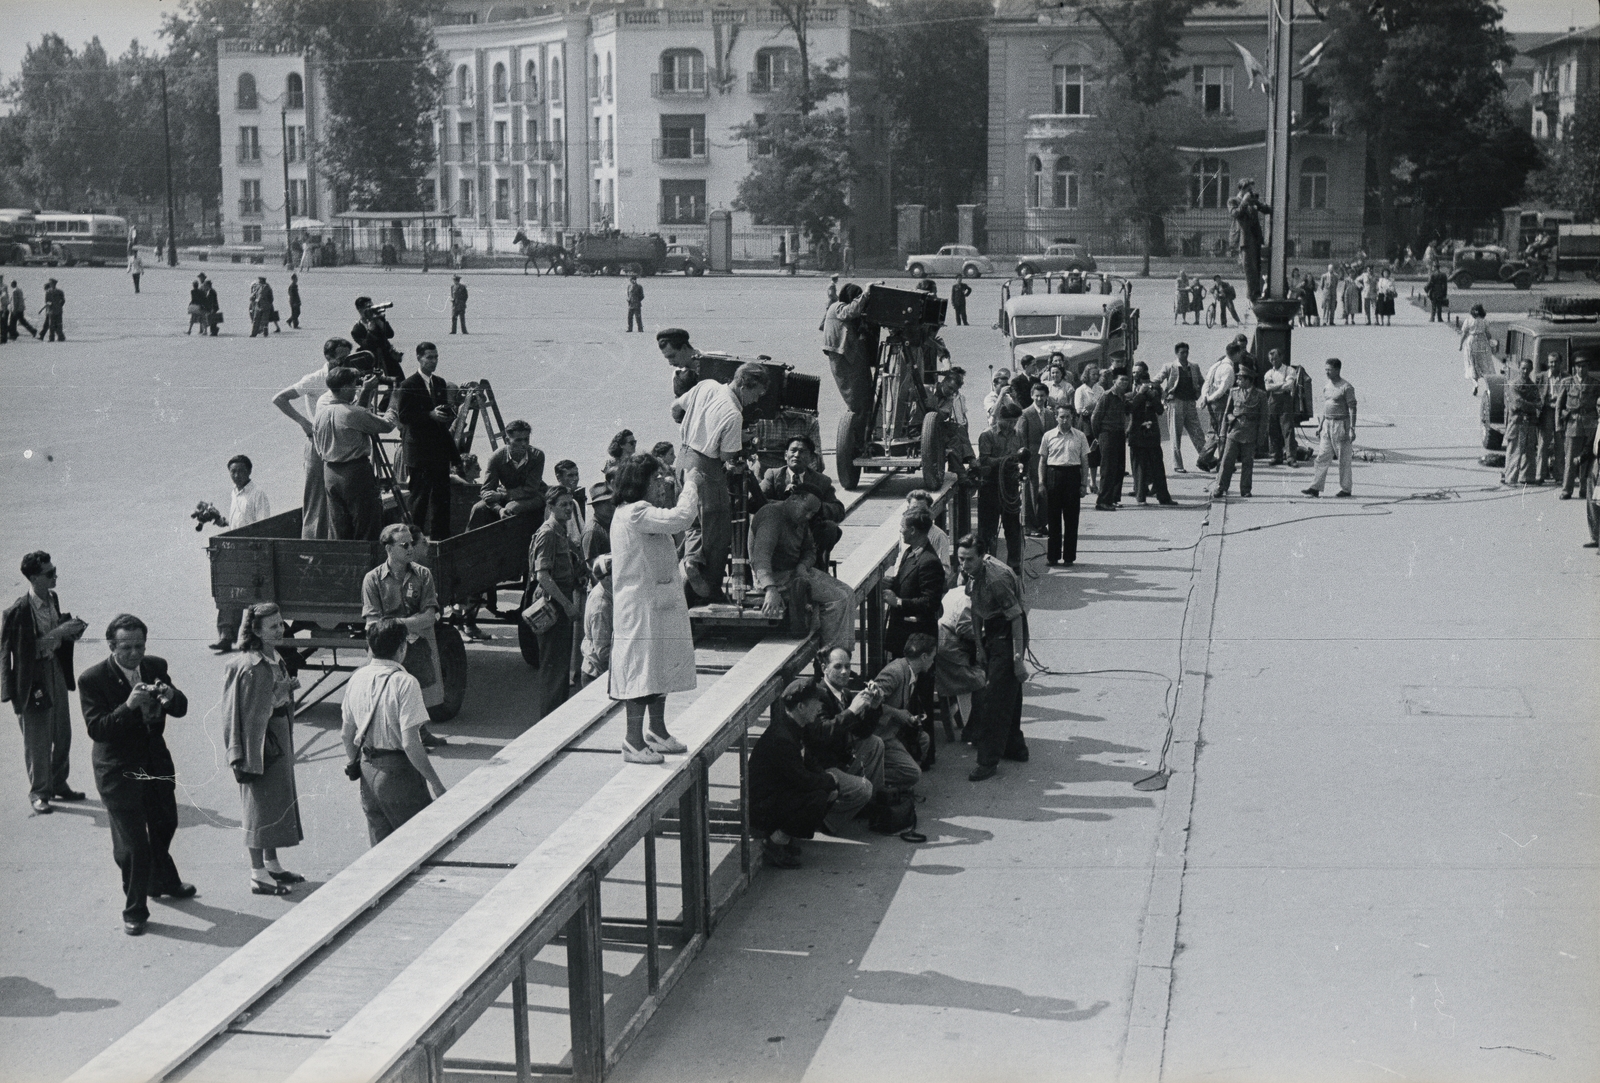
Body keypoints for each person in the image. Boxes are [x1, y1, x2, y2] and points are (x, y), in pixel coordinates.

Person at [77, 614, 194, 934]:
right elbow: (97, 729)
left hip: (155, 764)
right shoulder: (93, 679)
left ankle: (163, 880)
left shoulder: (155, 666)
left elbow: (181, 706)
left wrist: (170, 697)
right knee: (135, 847)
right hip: (118, 770)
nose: (134, 653)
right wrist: (128, 706)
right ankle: (135, 910)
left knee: (165, 824)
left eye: (139, 645)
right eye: (126, 647)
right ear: (112, 647)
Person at [608, 454, 699, 763]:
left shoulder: (641, 512)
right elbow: (682, 519)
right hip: (640, 608)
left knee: (658, 666)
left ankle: (657, 732)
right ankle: (632, 742)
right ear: (639, 483)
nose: (662, 484)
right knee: (640, 671)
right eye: (656, 479)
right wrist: (691, 485)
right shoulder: (635, 512)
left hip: (656, 603)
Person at [220, 603, 305, 896]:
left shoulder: (272, 657)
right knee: (258, 807)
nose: (280, 630)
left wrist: (283, 692)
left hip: (276, 737)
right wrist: (279, 695)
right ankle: (257, 874)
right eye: (273, 626)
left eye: (281, 624)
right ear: (255, 630)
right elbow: (245, 715)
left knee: (273, 804)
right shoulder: (250, 666)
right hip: (258, 744)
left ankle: (272, 864)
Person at [340, 618, 448, 846]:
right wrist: (436, 782)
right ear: (402, 648)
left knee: (381, 851)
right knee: (417, 846)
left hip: (368, 772)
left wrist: (355, 762)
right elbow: (410, 743)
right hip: (399, 775)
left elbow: (345, 735)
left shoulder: (356, 678)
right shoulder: (406, 683)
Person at [748, 677, 873, 868]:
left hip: (777, 794)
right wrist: (829, 780)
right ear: (801, 707)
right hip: (762, 807)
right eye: (815, 703)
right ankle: (774, 844)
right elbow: (803, 780)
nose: (818, 708)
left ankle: (785, 838)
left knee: (826, 790)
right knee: (817, 797)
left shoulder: (796, 726)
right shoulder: (782, 738)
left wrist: (827, 779)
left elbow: (809, 761)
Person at [674, 362, 768, 603]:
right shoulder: (734, 414)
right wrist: (740, 437)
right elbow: (727, 456)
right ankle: (710, 589)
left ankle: (691, 560)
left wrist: (697, 426)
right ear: (745, 385)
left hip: (682, 462)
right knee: (717, 533)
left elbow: (675, 409)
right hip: (707, 471)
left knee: (693, 524)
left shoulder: (706, 385)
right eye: (756, 394)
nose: (756, 401)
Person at [3, 552, 88, 814]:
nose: (55, 576)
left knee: (62, 732)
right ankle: (39, 792)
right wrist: (10, 693)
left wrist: (70, 631)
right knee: (38, 739)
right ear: (34, 577)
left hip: (55, 670)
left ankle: (59, 783)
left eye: (54, 570)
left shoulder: (53, 598)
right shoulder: (17, 611)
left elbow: (54, 639)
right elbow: (12, 651)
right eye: (49, 573)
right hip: (32, 677)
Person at [362, 523, 448, 745]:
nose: (411, 548)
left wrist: (394, 623)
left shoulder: (423, 574)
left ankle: (420, 734)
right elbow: (373, 625)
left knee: (418, 690)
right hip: (385, 649)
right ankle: (401, 742)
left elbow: (430, 616)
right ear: (389, 549)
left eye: (412, 543)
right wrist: (411, 623)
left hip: (415, 643)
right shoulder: (372, 579)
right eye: (404, 545)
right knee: (388, 695)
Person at [750, 481, 857, 653]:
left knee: (849, 593)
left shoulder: (799, 520)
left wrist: (802, 566)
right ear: (794, 498)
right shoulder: (772, 515)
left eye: (812, 513)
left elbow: (810, 550)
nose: (808, 516)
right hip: (776, 577)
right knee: (838, 599)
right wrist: (770, 589)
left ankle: (845, 652)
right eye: (806, 510)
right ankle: (832, 655)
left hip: (795, 572)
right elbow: (761, 557)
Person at [957, 535, 1028, 781]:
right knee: (1009, 692)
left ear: (982, 556)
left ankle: (987, 761)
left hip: (1008, 633)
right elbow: (976, 610)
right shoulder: (972, 573)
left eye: (969, 559)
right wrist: (979, 646)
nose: (963, 564)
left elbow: (1017, 618)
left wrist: (1018, 659)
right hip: (992, 629)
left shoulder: (996, 578)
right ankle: (1015, 747)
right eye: (960, 559)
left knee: (994, 700)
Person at [273, 338, 352, 541]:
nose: (345, 362)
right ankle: (312, 543)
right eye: (341, 358)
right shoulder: (316, 379)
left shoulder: (347, 376)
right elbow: (280, 398)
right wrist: (304, 422)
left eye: (347, 358)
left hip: (341, 443)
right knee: (316, 498)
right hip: (319, 443)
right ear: (328, 357)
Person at [314, 366, 398, 541]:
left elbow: (353, 416)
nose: (356, 389)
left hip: (330, 472)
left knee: (339, 526)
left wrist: (365, 392)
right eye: (354, 385)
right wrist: (394, 401)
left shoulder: (321, 413)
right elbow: (387, 425)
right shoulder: (353, 413)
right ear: (344, 388)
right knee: (367, 524)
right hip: (354, 473)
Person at [396, 342, 461, 541]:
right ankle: (411, 540)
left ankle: (440, 539)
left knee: (442, 499)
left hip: (439, 452)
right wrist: (430, 415)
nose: (433, 361)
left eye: (436, 357)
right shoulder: (408, 385)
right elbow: (405, 416)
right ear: (419, 358)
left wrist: (447, 415)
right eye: (429, 358)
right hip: (420, 453)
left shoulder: (439, 383)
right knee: (419, 500)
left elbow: (443, 412)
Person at [208, 455, 273, 652]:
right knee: (229, 593)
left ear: (249, 472)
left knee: (253, 595)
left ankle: (251, 637)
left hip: (251, 552)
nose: (236, 475)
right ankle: (226, 637)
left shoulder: (257, 494)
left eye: (240, 471)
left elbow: (262, 524)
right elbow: (237, 523)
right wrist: (222, 521)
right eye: (233, 472)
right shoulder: (235, 493)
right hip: (233, 551)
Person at [530, 491, 584, 719]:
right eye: (563, 505)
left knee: (560, 667)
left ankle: (557, 717)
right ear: (550, 506)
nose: (568, 509)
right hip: (553, 606)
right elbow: (542, 575)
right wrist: (567, 605)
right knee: (553, 667)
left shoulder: (560, 531)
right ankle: (549, 722)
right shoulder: (549, 533)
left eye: (570, 504)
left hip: (561, 601)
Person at [821, 283, 875, 449]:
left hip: (850, 358)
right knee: (856, 400)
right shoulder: (838, 307)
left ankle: (862, 437)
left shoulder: (835, 307)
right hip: (844, 359)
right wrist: (865, 294)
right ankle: (858, 440)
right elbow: (850, 311)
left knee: (865, 398)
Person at [468, 418, 547, 528]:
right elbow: (486, 490)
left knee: (511, 508)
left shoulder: (537, 456)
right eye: (518, 440)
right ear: (507, 440)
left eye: (526, 439)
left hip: (535, 496)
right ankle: (468, 543)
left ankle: (510, 543)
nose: (524, 444)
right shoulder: (496, 458)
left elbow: (531, 489)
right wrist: (499, 510)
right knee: (478, 508)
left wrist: (501, 495)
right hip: (508, 496)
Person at [1039, 403, 1091, 566]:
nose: (1065, 420)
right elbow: (1042, 461)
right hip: (1054, 475)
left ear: (1073, 417)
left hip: (1072, 476)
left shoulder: (1080, 436)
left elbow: (1084, 461)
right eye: (1061, 416)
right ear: (1056, 417)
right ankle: (1053, 556)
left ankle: (1069, 557)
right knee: (1053, 518)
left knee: (1071, 518)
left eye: (1068, 416)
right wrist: (1041, 482)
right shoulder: (1048, 436)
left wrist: (1084, 484)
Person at [977, 400, 1027, 569]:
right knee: (988, 530)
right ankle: (986, 565)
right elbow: (983, 460)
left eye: (1015, 421)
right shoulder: (987, 435)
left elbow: (1021, 456)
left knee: (1013, 528)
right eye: (1009, 421)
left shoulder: (1017, 435)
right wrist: (1004, 461)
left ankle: (1014, 565)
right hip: (990, 486)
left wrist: (1020, 466)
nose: (1012, 425)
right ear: (999, 418)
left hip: (1010, 487)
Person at [1301, 358, 1359, 498]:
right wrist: (1320, 425)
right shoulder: (1327, 385)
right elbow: (1326, 406)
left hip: (1341, 425)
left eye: (1329, 370)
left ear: (1337, 370)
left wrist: (1352, 428)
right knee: (1322, 457)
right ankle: (1315, 487)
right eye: (1326, 369)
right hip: (1327, 425)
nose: (1326, 372)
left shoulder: (1346, 387)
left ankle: (1346, 489)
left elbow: (1352, 408)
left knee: (1343, 459)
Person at [1213, 369, 1266, 498]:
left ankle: (1246, 489)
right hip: (1234, 431)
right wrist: (1223, 433)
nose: (1237, 381)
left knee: (1248, 462)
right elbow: (1227, 412)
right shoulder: (1234, 392)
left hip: (1250, 433)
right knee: (1227, 460)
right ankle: (1221, 487)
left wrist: (1261, 438)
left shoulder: (1260, 395)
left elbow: (1264, 419)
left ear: (1248, 380)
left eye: (1240, 379)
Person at [1128, 363, 1175, 505]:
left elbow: (1160, 410)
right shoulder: (1129, 390)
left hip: (1151, 432)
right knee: (1139, 466)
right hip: (1136, 431)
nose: (1136, 375)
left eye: (1140, 373)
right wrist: (1141, 394)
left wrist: (1152, 395)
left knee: (1157, 466)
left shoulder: (1154, 389)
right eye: (1134, 373)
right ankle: (1140, 496)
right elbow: (1131, 408)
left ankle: (1163, 497)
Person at [1157, 343, 1206, 473]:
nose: (1185, 355)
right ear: (1176, 353)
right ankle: (1177, 464)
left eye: (1186, 352)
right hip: (1175, 403)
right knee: (1175, 434)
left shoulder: (1194, 367)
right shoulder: (1169, 367)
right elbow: (1156, 381)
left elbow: (1202, 382)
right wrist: (1164, 395)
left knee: (1197, 432)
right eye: (1182, 352)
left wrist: (1199, 394)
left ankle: (1206, 459)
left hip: (1190, 403)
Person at [1556, 357, 1599, 499]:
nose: (1581, 369)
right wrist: (1559, 425)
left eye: (1584, 366)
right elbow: (1559, 406)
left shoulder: (1595, 383)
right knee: (1570, 459)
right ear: (1575, 368)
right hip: (1572, 425)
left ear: (1588, 367)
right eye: (1579, 366)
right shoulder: (1567, 382)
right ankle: (1567, 490)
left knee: (1586, 461)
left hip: (1589, 425)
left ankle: (1584, 489)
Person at [1090, 371, 1131, 510]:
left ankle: (1113, 498)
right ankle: (1102, 501)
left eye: (1126, 380)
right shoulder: (1107, 396)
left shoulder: (1122, 397)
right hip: (1107, 434)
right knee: (1107, 468)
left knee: (1119, 467)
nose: (1124, 383)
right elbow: (1095, 418)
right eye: (1121, 380)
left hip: (1119, 434)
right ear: (1114, 381)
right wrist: (1099, 436)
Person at [1018, 382, 1054, 535]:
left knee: (1045, 491)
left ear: (1046, 397)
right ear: (1032, 396)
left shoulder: (1050, 414)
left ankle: (1042, 523)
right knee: (1031, 491)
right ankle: (1029, 525)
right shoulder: (1025, 414)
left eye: (1042, 396)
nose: (1039, 398)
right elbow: (1021, 438)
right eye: (1037, 396)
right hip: (1031, 458)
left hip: (1048, 458)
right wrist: (1023, 461)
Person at [1500, 358, 1540, 487]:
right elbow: (1517, 403)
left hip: (1530, 422)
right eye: (1523, 368)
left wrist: (1528, 404)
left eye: (1528, 368)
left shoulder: (1533, 386)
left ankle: (1527, 477)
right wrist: (1531, 405)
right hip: (1517, 422)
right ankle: (1510, 478)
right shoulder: (1513, 385)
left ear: (1531, 369)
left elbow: (1539, 403)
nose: (1525, 371)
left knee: (1529, 450)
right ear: (1519, 368)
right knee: (1515, 450)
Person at [1262, 349, 1301, 467]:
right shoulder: (1268, 373)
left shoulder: (1290, 370)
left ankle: (1291, 457)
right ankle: (1275, 456)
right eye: (1271, 360)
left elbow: (1289, 385)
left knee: (1287, 428)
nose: (1273, 361)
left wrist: (1276, 386)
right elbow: (1268, 388)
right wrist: (1281, 385)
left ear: (1281, 357)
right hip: (1273, 401)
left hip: (1285, 400)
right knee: (1272, 429)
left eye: (1275, 359)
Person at [1233, 180, 1271, 301]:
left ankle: (1257, 294)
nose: (1251, 192)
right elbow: (1236, 214)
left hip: (1256, 239)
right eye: (1249, 190)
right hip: (1245, 240)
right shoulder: (1233, 201)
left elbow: (1265, 210)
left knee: (1258, 269)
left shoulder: (1251, 201)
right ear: (1242, 189)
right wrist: (1244, 201)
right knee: (1250, 269)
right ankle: (1252, 296)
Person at [580, 555, 614, 688]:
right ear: (607, 579)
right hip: (596, 676)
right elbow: (603, 652)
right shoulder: (602, 606)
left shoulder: (605, 591)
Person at [352, 296, 404, 378]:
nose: (371, 309)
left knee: (399, 383)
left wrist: (380, 322)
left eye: (371, 306)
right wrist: (370, 331)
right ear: (360, 309)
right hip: (373, 363)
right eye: (368, 307)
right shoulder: (357, 329)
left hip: (388, 359)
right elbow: (366, 345)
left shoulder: (379, 320)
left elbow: (390, 334)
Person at [656, 327, 711, 396]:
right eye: (667, 358)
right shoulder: (678, 375)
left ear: (684, 348)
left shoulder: (716, 361)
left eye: (672, 356)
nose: (670, 363)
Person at [1459, 304, 1497, 390]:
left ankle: (1475, 383)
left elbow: (1464, 334)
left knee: (1472, 362)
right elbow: (1488, 334)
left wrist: (1460, 344)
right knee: (1484, 362)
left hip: (1471, 342)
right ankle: (1488, 384)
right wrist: (1491, 343)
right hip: (1482, 342)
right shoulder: (1485, 321)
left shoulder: (1468, 320)